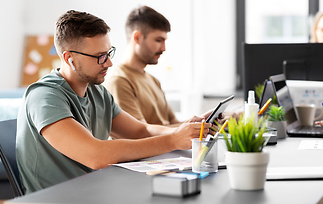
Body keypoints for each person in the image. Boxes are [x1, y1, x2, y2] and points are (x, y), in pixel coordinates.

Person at [16, 10, 215, 194]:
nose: (109, 63)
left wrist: (187, 128)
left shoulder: (97, 92)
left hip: (97, 190)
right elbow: (96, 155)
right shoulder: (44, 97)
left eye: (109, 53)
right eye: (100, 57)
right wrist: (172, 140)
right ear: (69, 59)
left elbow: (140, 131)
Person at [104, 6, 180, 125]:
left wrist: (202, 124)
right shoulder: (119, 81)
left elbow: (173, 125)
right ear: (137, 38)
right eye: (158, 40)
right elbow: (139, 135)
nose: (163, 48)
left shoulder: (154, 81)